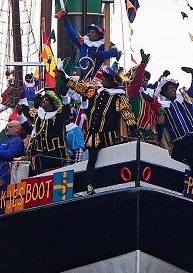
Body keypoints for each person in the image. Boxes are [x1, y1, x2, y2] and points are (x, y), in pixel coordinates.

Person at [67, 65, 138, 195]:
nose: (102, 79)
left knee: (110, 160)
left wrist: (133, 127)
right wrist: (67, 79)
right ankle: (90, 186)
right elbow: (80, 88)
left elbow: (126, 111)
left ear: (112, 81)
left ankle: (111, 185)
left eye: (105, 78)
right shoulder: (95, 92)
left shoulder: (119, 97)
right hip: (94, 134)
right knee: (92, 160)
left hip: (109, 135)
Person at [158, 67, 193, 202]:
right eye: (170, 89)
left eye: (174, 88)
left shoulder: (183, 99)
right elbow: (160, 123)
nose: (173, 90)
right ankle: (177, 191)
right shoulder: (163, 106)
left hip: (192, 136)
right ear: (164, 92)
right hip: (177, 141)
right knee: (175, 162)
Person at [60, 13, 120, 77]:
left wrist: (101, 54)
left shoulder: (105, 44)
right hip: (82, 75)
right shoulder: (84, 42)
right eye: (89, 32)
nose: (89, 34)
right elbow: (72, 34)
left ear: (98, 34)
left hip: (97, 77)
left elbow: (115, 52)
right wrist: (65, 20)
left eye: (92, 32)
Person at [26, 90, 71, 174]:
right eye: (43, 99)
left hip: (56, 155)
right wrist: (23, 101)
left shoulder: (58, 116)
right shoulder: (39, 116)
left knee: (57, 178)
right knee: (42, 177)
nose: (43, 100)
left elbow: (67, 110)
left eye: (46, 99)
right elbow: (27, 114)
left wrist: (64, 96)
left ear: (52, 103)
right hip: (41, 155)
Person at [0, 121, 26, 186]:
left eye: (10, 127)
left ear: (17, 129)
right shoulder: (2, 140)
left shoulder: (17, 141)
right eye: (7, 126)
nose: (7, 128)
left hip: (2, 176)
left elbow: (9, 154)